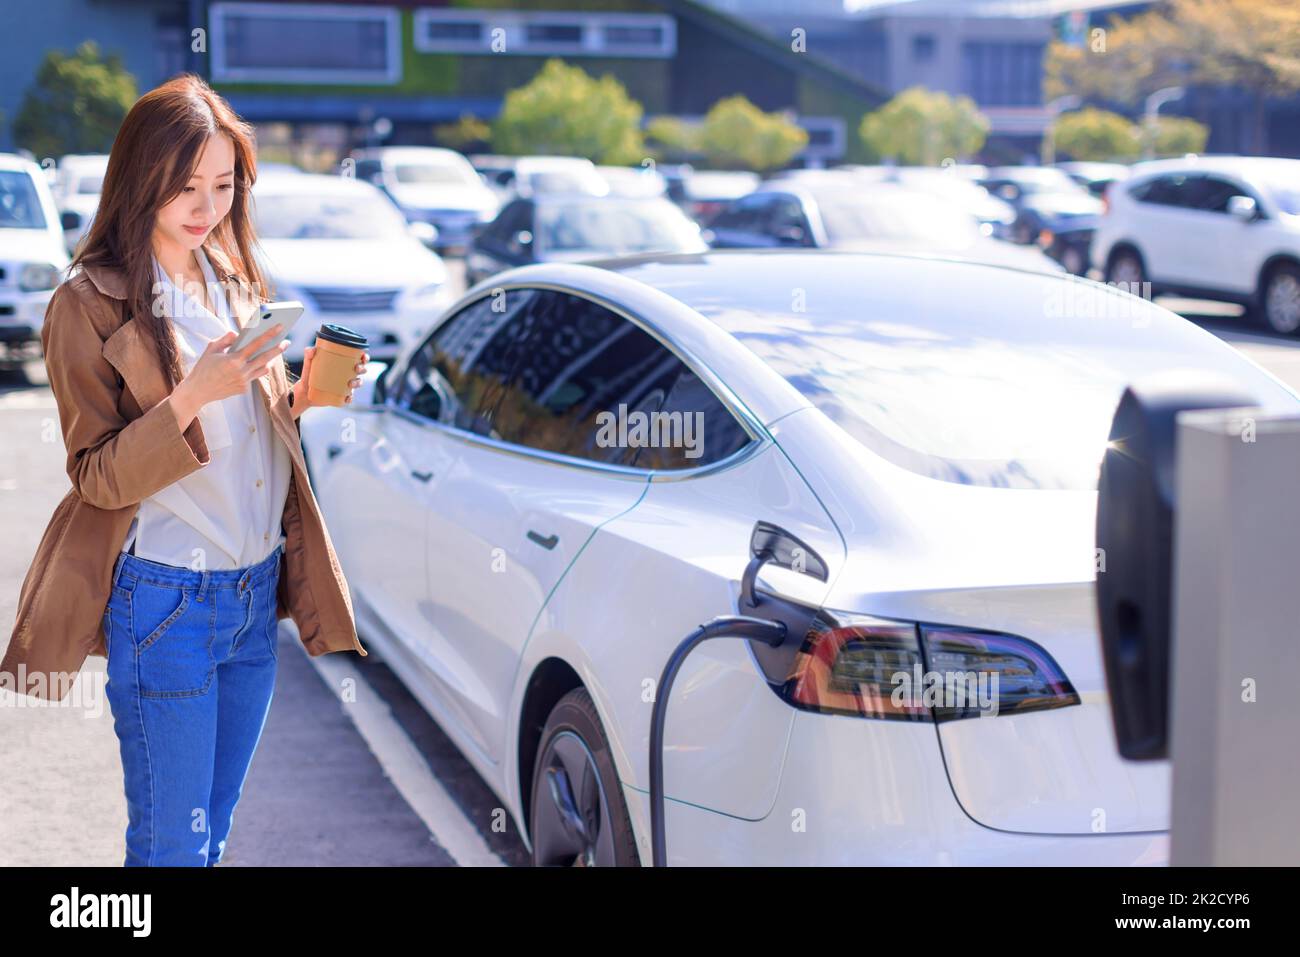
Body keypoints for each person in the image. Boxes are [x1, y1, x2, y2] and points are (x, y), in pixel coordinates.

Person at [0, 74, 370, 865]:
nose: (207, 206)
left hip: (251, 597)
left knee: (214, 826)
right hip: (166, 601)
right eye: (186, 186)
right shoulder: (88, 304)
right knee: (172, 844)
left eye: (223, 184)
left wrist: (297, 401)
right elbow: (96, 473)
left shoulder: (235, 282)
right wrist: (191, 396)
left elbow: (248, 435)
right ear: (142, 180)